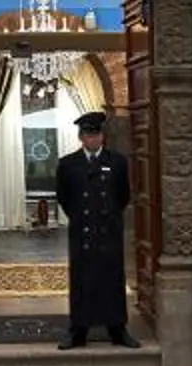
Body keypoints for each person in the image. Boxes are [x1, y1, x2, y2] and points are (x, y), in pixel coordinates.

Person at [54, 110, 136, 349]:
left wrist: (107, 218)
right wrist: (80, 218)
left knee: (112, 281)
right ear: (81, 138)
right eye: (88, 135)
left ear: (102, 136)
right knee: (82, 281)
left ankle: (117, 329)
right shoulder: (68, 164)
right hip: (82, 234)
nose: (93, 139)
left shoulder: (117, 162)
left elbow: (123, 196)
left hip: (108, 232)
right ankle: (78, 331)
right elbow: (64, 198)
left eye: (97, 134)